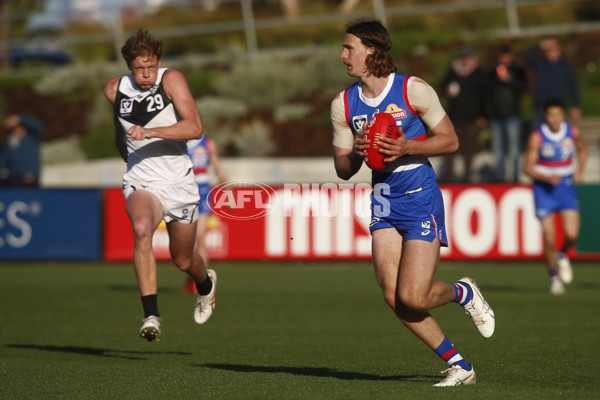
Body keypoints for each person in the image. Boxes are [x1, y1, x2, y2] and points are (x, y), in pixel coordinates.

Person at [331, 19, 495, 387]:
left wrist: (408, 147)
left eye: (349, 48)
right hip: (384, 202)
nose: (343, 56)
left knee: (414, 295)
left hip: (420, 197)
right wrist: (357, 154)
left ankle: (461, 291)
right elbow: (343, 169)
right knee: (395, 298)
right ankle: (460, 366)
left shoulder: (412, 89)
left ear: (371, 50)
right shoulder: (343, 104)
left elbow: (450, 140)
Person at [103, 29, 217, 342]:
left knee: (183, 260)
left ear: (159, 63)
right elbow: (119, 132)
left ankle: (206, 285)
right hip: (142, 179)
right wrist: (129, 158)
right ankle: (151, 315)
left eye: (151, 67)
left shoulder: (171, 79)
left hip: (179, 182)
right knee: (141, 230)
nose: (146, 74)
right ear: (129, 65)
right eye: (140, 68)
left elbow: (194, 127)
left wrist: (152, 133)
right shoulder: (115, 90)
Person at [523, 98, 587, 295]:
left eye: (558, 115)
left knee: (572, 234)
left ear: (563, 115)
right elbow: (527, 167)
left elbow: (582, 150)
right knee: (549, 238)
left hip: (566, 187)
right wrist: (546, 177)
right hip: (544, 189)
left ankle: (562, 255)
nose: (555, 119)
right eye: (551, 115)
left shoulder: (572, 132)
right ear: (546, 116)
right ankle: (554, 278)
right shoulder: (538, 136)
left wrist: (579, 170)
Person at [183, 134, 228, 294]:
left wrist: (228, 191)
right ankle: (194, 274)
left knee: (199, 237)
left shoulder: (208, 143)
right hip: (183, 192)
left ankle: (201, 281)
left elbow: (217, 167)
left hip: (203, 192)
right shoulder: (179, 140)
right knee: (186, 241)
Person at [438, 45, 487, 183]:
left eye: (468, 57)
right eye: (464, 57)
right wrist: (447, 90)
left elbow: (485, 95)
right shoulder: (453, 71)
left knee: (469, 149)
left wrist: (483, 115)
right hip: (454, 117)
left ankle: (467, 176)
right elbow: (442, 86)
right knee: (449, 148)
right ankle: (448, 175)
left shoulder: (479, 73)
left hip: (472, 118)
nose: (465, 60)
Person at [486, 44, 528, 183]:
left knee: (514, 148)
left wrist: (510, 80)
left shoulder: (517, 70)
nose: (504, 59)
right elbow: (486, 92)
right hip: (496, 116)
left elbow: (524, 88)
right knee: (498, 149)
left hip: (512, 115)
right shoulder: (492, 72)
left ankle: (515, 177)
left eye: (507, 56)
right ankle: (500, 177)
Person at [525, 37, 580, 128]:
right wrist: (541, 45)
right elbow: (528, 57)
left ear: (560, 51)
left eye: (554, 50)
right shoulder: (540, 65)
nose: (552, 53)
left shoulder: (566, 67)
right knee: (538, 137)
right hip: (540, 108)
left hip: (559, 108)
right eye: (549, 51)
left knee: (559, 136)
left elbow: (573, 87)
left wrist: (575, 106)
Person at [0, 114, 44, 187]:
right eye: (15, 128)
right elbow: (3, 159)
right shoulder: (9, 142)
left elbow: (39, 126)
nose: (17, 129)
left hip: (30, 178)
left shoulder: (32, 138)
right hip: (13, 178)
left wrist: (19, 119)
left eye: (19, 127)